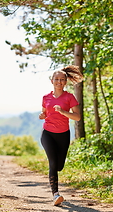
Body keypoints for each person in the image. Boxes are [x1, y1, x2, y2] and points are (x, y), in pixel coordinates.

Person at [39, 65, 83, 206]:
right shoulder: (45, 97)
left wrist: (64, 112)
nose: (59, 81)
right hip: (47, 133)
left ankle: (56, 188)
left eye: (62, 79)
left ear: (65, 81)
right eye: (56, 79)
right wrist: (42, 115)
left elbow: (77, 117)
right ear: (52, 81)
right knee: (52, 162)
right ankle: (56, 195)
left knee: (59, 166)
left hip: (63, 134)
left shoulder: (69, 97)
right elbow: (45, 112)